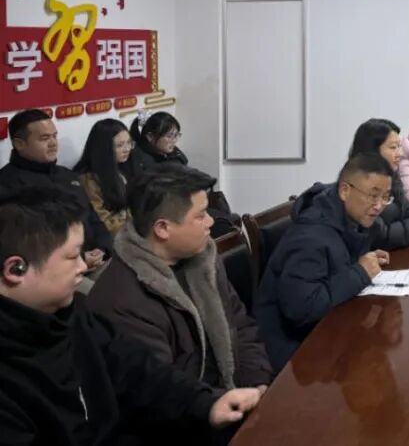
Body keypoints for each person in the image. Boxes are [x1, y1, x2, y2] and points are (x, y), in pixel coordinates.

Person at [0, 186, 261, 445]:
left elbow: (140, 371)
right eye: (71, 257)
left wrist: (207, 403)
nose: (83, 266)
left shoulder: (74, 314)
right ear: (16, 269)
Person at [86, 167, 271, 414]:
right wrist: (223, 405)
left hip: (233, 402)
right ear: (163, 228)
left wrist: (257, 384)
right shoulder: (120, 300)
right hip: (193, 419)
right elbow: (162, 393)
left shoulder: (203, 261)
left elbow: (241, 327)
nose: (211, 222)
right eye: (201, 215)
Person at [254, 153, 393, 372]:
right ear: (344, 191)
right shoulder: (310, 237)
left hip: (325, 331)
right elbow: (303, 309)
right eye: (373, 196)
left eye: (386, 197)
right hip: (294, 353)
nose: (379, 206)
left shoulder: (347, 221)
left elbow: (334, 267)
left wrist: (362, 262)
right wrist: (360, 272)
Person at [0, 109, 112, 269]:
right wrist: (79, 258)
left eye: (54, 136)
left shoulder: (68, 176)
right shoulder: (7, 185)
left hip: (95, 259)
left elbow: (92, 217)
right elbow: (23, 245)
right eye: (44, 138)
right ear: (20, 144)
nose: (53, 143)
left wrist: (103, 248)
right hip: (52, 271)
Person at [130, 112, 237, 236]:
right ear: (150, 137)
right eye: (169, 136)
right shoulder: (142, 161)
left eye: (176, 135)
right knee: (221, 226)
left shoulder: (172, 153)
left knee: (225, 221)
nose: (174, 141)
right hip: (169, 212)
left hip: (185, 205)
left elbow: (188, 173)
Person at [349, 118, 409, 250]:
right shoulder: (359, 185)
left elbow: (403, 207)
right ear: (372, 151)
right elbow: (378, 236)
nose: (400, 154)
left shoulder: (390, 175)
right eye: (393, 147)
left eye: (399, 146)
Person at [74, 118, 136, 234]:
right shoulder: (89, 179)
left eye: (129, 143)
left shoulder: (124, 166)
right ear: (103, 148)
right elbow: (103, 222)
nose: (127, 149)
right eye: (119, 145)